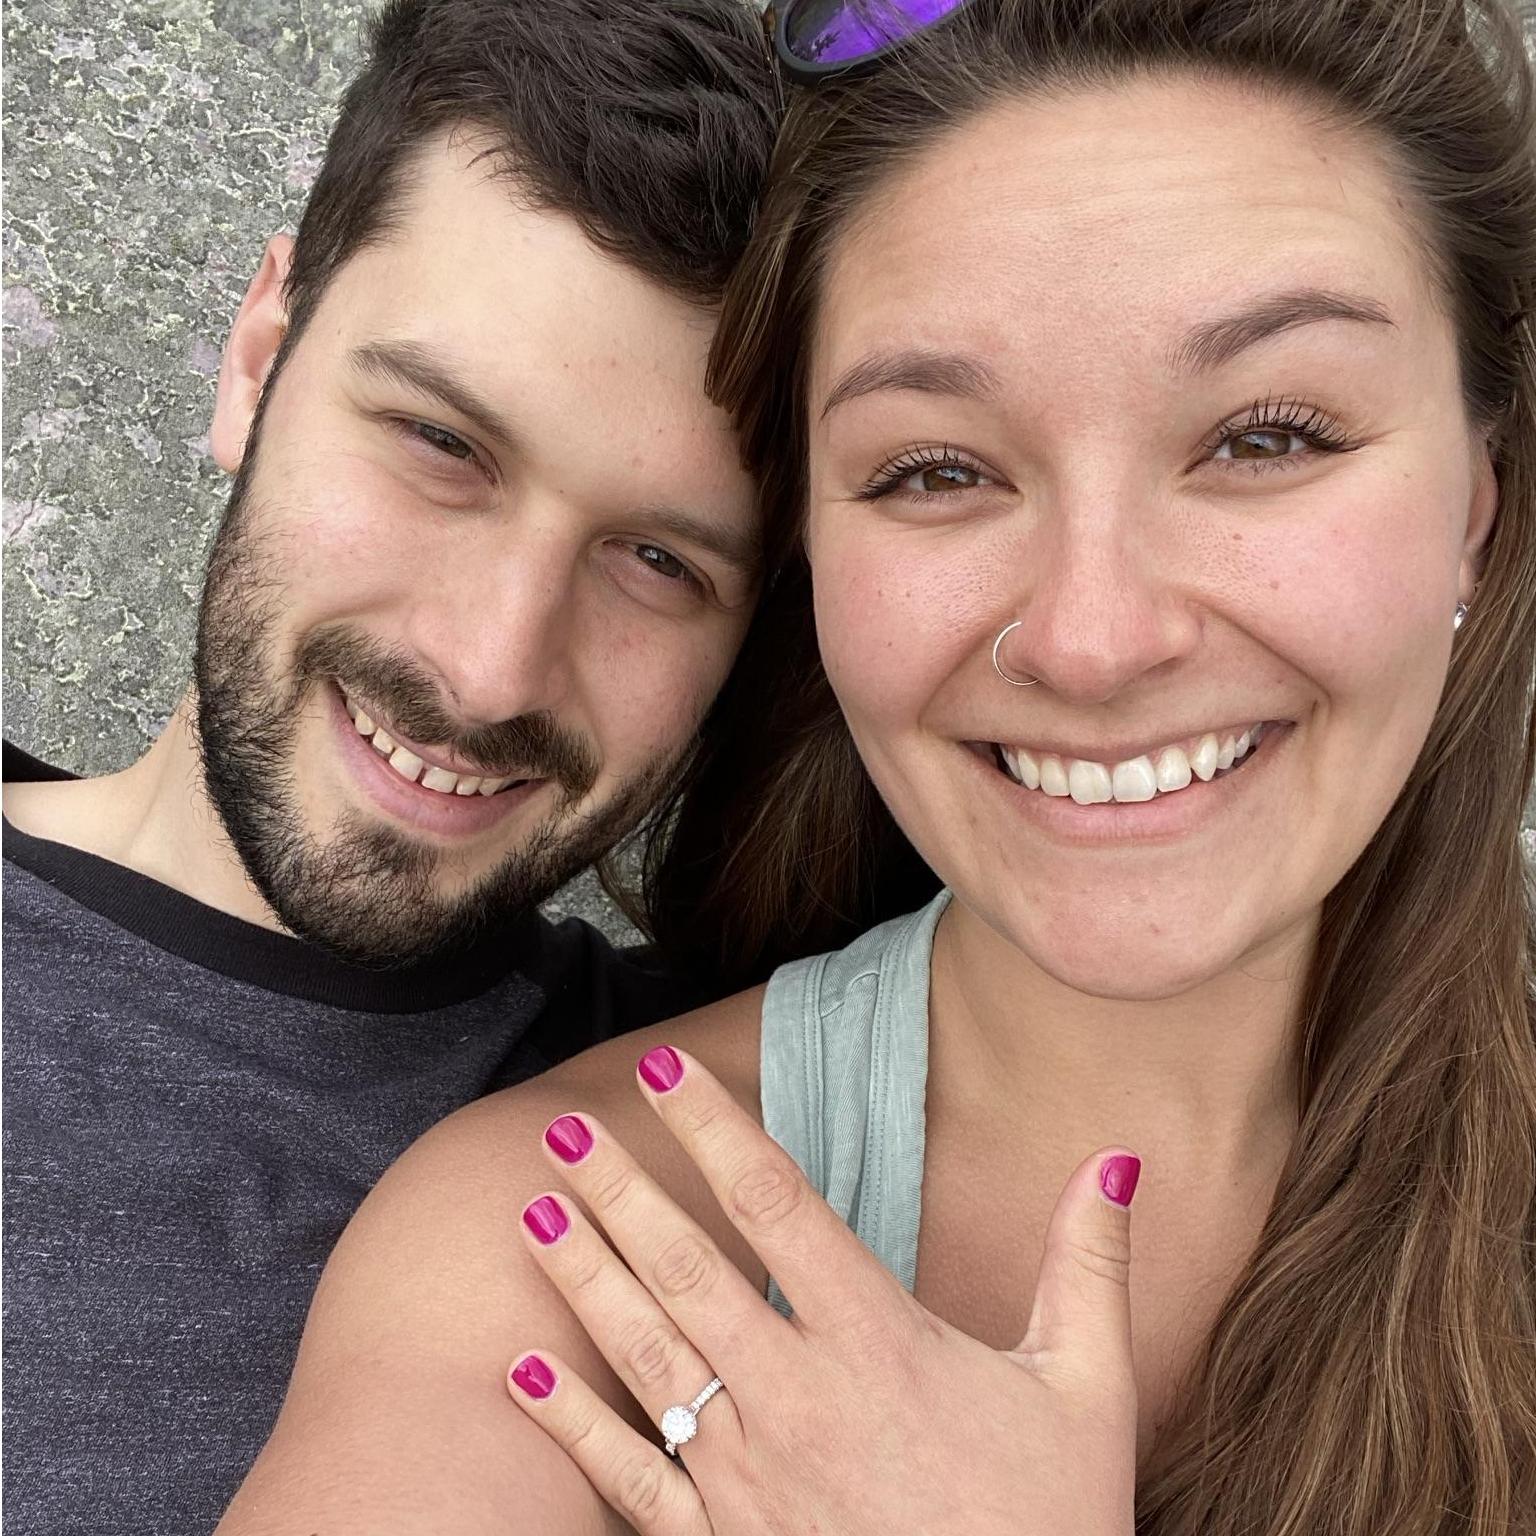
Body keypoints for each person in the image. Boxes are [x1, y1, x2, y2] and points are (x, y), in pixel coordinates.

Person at [217, 0, 1536, 1531]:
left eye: (1268, 436)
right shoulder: (558, 1260)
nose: (1094, 640)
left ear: (1476, 506)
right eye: (937, 469)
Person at [0, 2, 780, 1530]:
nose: (492, 670)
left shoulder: (734, 1140)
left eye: (657, 562)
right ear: (257, 361)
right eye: (441, 445)